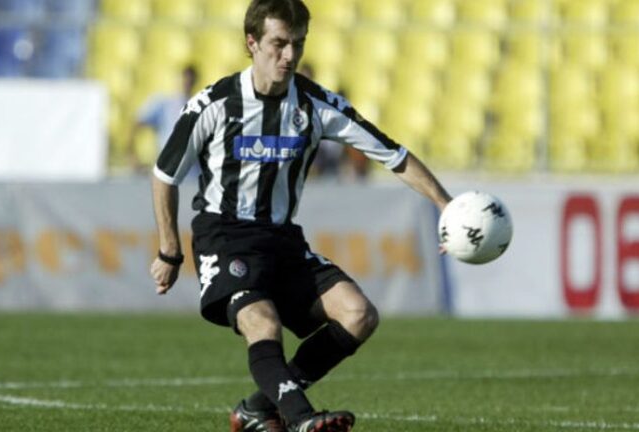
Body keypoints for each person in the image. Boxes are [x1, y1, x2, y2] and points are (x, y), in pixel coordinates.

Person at [149, 1, 452, 431]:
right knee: (262, 322)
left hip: (283, 239)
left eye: (298, 44)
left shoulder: (314, 104)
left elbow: (392, 154)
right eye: (279, 43)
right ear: (252, 43)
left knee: (358, 314)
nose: (289, 55)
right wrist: (169, 251)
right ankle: (302, 420)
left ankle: (257, 408)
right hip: (225, 235)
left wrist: (444, 204)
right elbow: (164, 175)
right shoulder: (215, 103)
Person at [126, 64, 200, 178]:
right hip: (168, 173)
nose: (187, 82)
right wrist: (132, 157)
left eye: (190, 79)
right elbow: (136, 125)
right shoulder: (164, 103)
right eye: (185, 78)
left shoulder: (202, 107)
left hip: (194, 175)